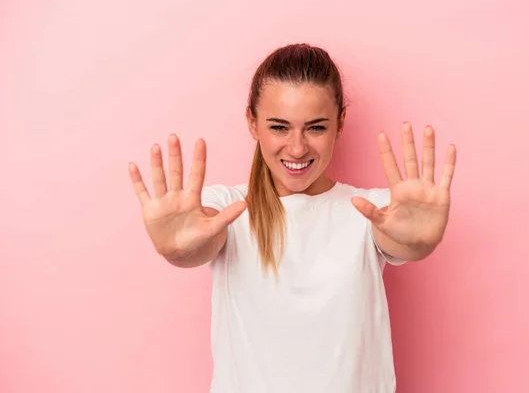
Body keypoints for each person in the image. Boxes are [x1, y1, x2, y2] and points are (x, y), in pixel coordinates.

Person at [128, 43, 457, 393]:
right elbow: (197, 244)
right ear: (252, 123)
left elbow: (400, 238)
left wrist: (418, 241)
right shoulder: (227, 208)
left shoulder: (368, 211)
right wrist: (176, 249)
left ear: (339, 124)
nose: (297, 148)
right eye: (279, 127)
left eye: (315, 128)